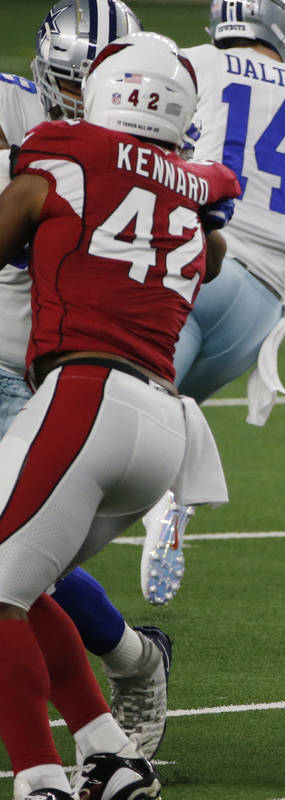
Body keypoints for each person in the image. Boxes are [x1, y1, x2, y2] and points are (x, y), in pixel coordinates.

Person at [0, 30, 240, 800]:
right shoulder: (198, 189)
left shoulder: (63, 152)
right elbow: (215, 250)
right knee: (28, 585)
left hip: (85, 396)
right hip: (164, 424)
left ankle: (39, 779)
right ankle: (110, 756)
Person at [139, 0, 285, 606]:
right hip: (258, 311)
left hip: (194, 261)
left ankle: (159, 501)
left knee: (112, 420)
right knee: (155, 420)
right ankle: (162, 497)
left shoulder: (188, 65)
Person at [2, 0, 176, 762]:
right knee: (21, 564)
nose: (81, 98)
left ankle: (111, 695)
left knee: (20, 562)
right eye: (73, 81)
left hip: (42, 368)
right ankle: (117, 698)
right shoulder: (11, 104)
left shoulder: (150, 147)